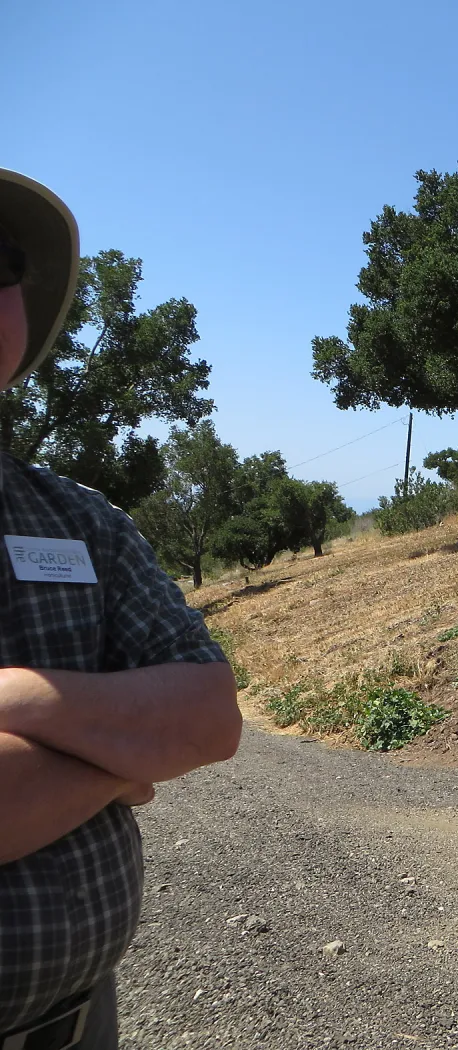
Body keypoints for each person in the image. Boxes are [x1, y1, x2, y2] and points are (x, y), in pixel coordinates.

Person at [0, 169, 242, 1048]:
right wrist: (120, 761)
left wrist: (15, 703)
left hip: (77, 1024)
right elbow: (168, 735)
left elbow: (209, 717)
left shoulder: (82, 520)